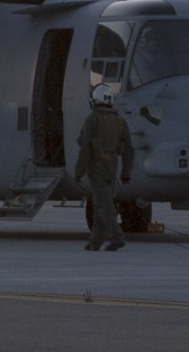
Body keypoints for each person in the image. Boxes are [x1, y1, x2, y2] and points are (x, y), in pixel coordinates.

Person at [77, 84, 135, 251]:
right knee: (99, 202)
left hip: (97, 167)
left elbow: (85, 146)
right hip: (112, 167)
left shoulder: (93, 119)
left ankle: (117, 236)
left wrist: (79, 171)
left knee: (105, 204)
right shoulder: (120, 121)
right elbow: (129, 150)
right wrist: (126, 172)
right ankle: (96, 241)